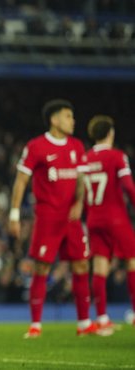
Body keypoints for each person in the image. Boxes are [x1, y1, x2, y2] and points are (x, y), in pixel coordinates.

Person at [9, 99, 96, 338]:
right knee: (42, 267)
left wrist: (79, 202)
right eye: (68, 116)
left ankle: (84, 323)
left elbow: (80, 180)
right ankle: (36, 325)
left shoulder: (77, 146)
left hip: (72, 219)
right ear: (54, 119)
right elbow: (21, 181)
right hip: (47, 217)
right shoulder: (36, 146)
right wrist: (14, 214)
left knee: (81, 265)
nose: (73, 120)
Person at [83, 115, 135, 334]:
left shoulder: (84, 158)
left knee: (100, 268)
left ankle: (102, 317)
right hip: (115, 217)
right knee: (132, 262)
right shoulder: (117, 157)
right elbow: (128, 187)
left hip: (94, 218)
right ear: (110, 133)